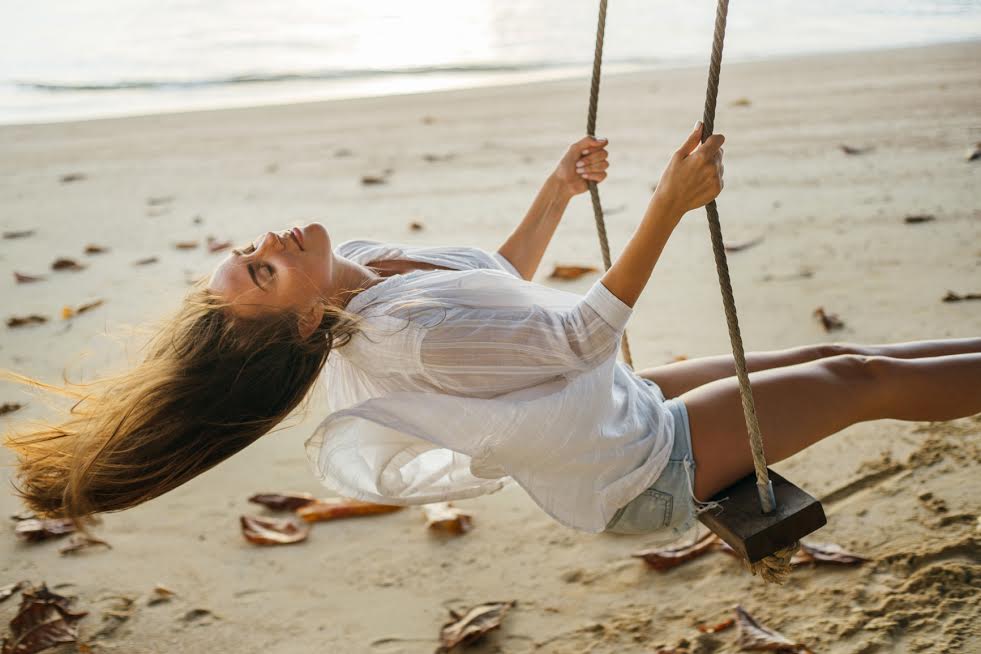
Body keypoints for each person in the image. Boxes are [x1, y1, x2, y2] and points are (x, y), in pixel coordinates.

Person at [4, 122, 979, 542]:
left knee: (825, 361)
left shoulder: (371, 265)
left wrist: (558, 187)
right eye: (261, 268)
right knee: (860, 377)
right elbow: (575, 341)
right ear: (303, 316)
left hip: (613, 415)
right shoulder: (408, 336)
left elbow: (501, 279)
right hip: (638, 474)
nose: (266, 240)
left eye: (244, 252)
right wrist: (667, 205)